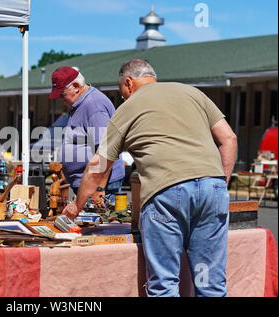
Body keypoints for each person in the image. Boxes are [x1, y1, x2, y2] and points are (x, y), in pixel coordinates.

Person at [62, 59, 238, 297]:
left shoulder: (129, 107)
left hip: (166, 191)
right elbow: (229, 139)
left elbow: (98, 165)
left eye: (122, 91)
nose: (123, 97)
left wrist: (76, 206)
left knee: (164, 284)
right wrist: (219, 185)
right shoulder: (192, 93)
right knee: (210, 282)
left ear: (128, 83)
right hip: (212, 187)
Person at [48, 66, 125, 207]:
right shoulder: (79, 103)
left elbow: (106, 150)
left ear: (76, 86)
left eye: (62, 94)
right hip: (88, 183)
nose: (60, 98)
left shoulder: (93, 105)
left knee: (99, 226)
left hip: (98, 185)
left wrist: (99, 188)